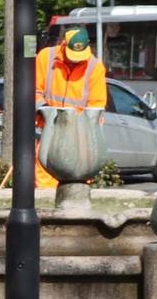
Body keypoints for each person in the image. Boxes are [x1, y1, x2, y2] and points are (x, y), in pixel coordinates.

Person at [31, 25, 109, 189]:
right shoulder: (46, 58)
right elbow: (33, 90)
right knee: (45, 175)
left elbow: (97, 104)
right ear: (64, 44)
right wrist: (46, 109)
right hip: (48, 129)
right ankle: (48, 209)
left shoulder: (95, 67)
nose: (75, 60)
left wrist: (91, 137)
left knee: (77, 178)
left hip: (78, 134)